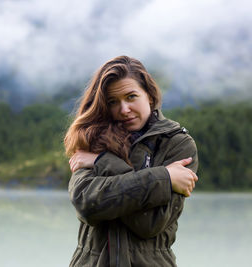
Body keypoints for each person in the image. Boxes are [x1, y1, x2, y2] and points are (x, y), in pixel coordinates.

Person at [64, 55, 198, 267]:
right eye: (112, 102)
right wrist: (164, 178)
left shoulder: (177, 144)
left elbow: (150, 223)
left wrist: (102, 162)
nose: (124, 109)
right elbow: (88, 204)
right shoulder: (91, 140)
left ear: (150, 96)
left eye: (131, 96)